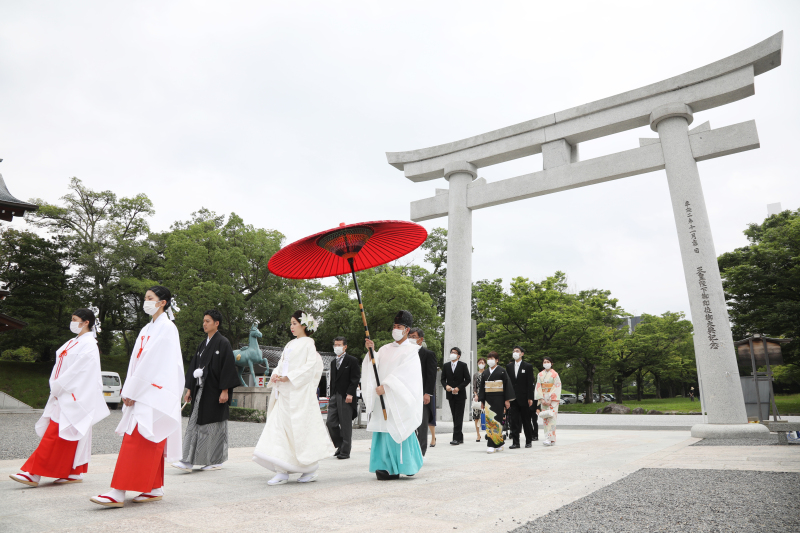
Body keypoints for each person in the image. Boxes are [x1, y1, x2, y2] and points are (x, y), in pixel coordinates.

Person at [91, 286, 184, 507]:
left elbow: (156, 363)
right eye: (145, 298)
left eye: (150, 298)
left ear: (163, 302)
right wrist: (129, 387)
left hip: (153, 392)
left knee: (139, 439)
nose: (146, 302)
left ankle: (118, 491)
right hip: (143, 390)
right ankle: (154, 487)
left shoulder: (168, 328)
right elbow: (136, 360)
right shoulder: (146, 329)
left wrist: (133, 390)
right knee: (149, 438)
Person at [11, 309, 110, 488]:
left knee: (56, 433)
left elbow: (80, 371)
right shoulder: (74, 341)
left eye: (75, 319)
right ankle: (73, 471)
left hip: (74, 394)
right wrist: (57, 386)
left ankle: (33, 473)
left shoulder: (89, 344)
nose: (71, 322)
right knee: (68, 434)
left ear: (86, 322)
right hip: (63, 391)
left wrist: (59, 385)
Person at [253, 311, 334, 485]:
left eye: (294, 323)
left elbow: (311, 366)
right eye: (290, 323)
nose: (291, 326)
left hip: (298, 395)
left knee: (299, 432)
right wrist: (275, 374)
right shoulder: (290, 344)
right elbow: (281, 364)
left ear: (304, 325)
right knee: (278, 430)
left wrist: (290, 377)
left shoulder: (309, 344)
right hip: (284, 393)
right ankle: (281, 470)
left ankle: (309, 468)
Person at [172, 309, 240, 473]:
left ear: (216, 324)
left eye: (208, 321)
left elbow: (227, 368)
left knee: (213, 426)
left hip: (215, 391)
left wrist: (225, 390)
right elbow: (194, 366)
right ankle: (188, 459)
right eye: (204, 321)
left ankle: (215, 460)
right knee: (195, 423)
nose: (204, 324)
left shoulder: (223, 343)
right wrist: (189, 389)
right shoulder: (203, 344)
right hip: (200, 390)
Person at [362, 310, 424, 480]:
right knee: (383, 432)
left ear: (407, 329)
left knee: (399, 429)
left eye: (399, 326)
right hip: (383, 398)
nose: (395, 329)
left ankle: (406, 465)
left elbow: (407, 376)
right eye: (394, 326)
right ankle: (383, 466)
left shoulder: (412, 350)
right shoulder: (384, 348)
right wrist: (371, 352)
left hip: (397, 399)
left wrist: (388, 386)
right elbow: (375, 365)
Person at [326, 336, 361, 460]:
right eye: (335, 345)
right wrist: (330, 395)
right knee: (330, 422)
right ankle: (340, 445)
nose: (337, 347)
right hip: (335, 395)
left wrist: (351, 394)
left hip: (347, 395)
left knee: (345, 425)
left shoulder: (352, 360)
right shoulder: (333, 362)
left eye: (339, 345)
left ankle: (345, 451)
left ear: (345, 346)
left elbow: (355, 378)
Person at [408, 327, 437, 456]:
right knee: (409, 424)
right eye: (409, 336)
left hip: (422, 395)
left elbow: (431, 375)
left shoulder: (428, 354)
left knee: (422, 425)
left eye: (413, 337)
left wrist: (428, 393)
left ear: (420, 339)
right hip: (407, 394)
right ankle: (410, 451)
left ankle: (420, 452)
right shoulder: (405, 354)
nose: (411, 339)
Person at [479, 352, 514, 454]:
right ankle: (496, 443)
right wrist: (482, 400)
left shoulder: (502, 371)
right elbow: (482, 387)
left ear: (497, 360)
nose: (490, 360)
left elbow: (507, 386)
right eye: (488, 358)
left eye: (492, 358)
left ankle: (493, 444)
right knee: (489, 421)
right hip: (488, 399)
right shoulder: (485, 373)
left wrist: (507, 400)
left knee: (497, 421)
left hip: (499, 398)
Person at [506, 346, 536, 448]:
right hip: (513, 398)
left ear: (522, 353)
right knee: (514, 421)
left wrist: (530, 398)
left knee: (526, 420)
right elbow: (508, 383)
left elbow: (530, 383)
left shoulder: (527, 366)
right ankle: (515, 442)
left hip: (524, 398)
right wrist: (507, 398)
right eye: (514, 351)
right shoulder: (509, 367)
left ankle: (528, 441)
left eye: (517, 351)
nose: (515, 353)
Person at [440, 346, 470, 445]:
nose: (452, 354)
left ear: (458, 355)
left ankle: (456, 438)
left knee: (459, 416)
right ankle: (460, 437)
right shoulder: (446, 365)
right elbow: (443, 379)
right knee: (454, 415)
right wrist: (446, 386)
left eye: (455, 352)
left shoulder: (463, 365)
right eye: (451, 352)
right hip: (450, 394)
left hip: (460, 394)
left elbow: (468, 379)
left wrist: (459, 387)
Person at [534, 356, 562, 447]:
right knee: (545, 418)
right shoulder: (540, 374)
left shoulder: (555, 374)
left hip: (552, 399)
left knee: (552, 419)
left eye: (548, 361)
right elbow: (538, 387)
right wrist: (541, 398)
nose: (546, 363)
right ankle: (547, 438)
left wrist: (551, 398)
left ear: (551, 363)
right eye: (544, 362)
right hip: (543, 398)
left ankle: (552, 438)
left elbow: (557, 386)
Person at [471, 358, 486, 442]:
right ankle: (478, 434)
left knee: (485, 415)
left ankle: (488, 433)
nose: (481, 363)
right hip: (477, 396)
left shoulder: (487, 373)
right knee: (476, 416)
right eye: (479, 362)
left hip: (485, 396)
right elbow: (474, 386)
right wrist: (476, 394)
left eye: (482, 362)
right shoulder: (475, 375)